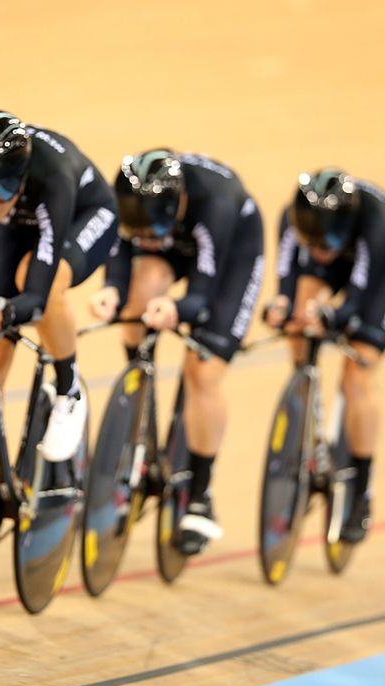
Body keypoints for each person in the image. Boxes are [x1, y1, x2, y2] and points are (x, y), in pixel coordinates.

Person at [90, 149, 264, 554]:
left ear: (176, 202)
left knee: (202, 370)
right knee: (139, 296)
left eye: (151, 230)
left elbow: (201, 299)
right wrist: (112, 290)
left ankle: (201, 495)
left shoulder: (216, 203)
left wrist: (177, 309)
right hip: (176, 242)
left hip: (229, 254)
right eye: (141, 232)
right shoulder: (132, 200)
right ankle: (141, 392)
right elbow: (120, 251)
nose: (144, 239)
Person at [0, 109, 119, 462]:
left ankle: (68, 390)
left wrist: (14, 309)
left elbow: (36, 296)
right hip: (15, 221)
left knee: (37, 281)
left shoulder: (53, 174)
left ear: (22, 175)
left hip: (80, 218)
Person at [263, 168, 385, 543]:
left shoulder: (376, 221)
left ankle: (361, 488)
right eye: (311, 241)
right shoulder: (292, 219)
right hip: (336, 267)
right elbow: (286, 280)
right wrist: (284, 309)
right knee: (300, 316)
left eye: (325, 241)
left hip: (378, 275)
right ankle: (307, 402)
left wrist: (334, 317)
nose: (318, 248)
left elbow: (357, 301)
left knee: (357, 374)